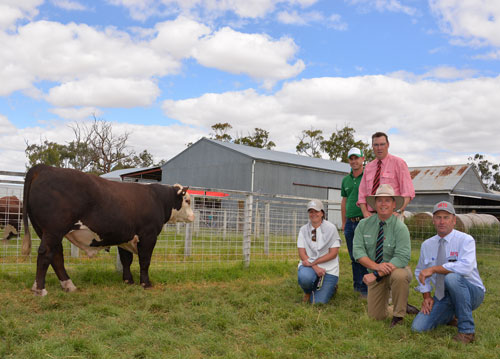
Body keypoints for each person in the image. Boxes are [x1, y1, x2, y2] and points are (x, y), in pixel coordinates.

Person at [411, 201, 485, 344]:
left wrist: (434, 269)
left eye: (446, 217)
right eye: (438, 217)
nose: (442, 221)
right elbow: (420, 271)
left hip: (472, 292)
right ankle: (450, 315)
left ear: (454, 220)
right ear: (433, 220)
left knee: (452, 278)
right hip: (443, 296)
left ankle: (467, 331)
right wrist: (426, 296)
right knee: (418, 328)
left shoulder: (465, 240)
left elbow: (466, 267)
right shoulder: (427, 245)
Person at [353, 184, 418, 327]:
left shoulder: (401, 228)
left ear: (394, 204)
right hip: (376, 273)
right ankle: (401, 304)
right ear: (374, 204)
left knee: (400, 275)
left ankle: (398, 316)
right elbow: (358, 252)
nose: (383, 204)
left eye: (387, 200)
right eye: (380, 200)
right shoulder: (363, 225)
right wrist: (376, 268)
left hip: (395, 271)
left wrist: (376, 273)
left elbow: (402, 257)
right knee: (375, 317)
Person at [358, 132, 415, 218]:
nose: (379, 148)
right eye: (376, 145)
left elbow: (408, 193)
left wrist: (398, 211)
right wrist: (365, 212)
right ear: (372, 146)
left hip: (393, 215)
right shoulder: (368, 167)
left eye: (382, 144)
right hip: (371, 216)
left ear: (388, 145)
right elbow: (362, 194)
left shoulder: (399, 163)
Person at [297, 199, 341, 304]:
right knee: (305, 277)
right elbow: (302, 253)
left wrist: (313, 262)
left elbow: (333, 254)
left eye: (316, 211)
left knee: (317, 302)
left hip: (329, 268)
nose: (313, 214)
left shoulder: (331, 228)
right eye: (311, 211)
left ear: (322, 213)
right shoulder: (303, 230)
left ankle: (332, 286)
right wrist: (315, 267)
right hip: (310, 265)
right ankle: (308, 291)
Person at [341, 147, 368, 298]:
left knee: (365, 255)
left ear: (363, 159)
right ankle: (357, 287)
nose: (354, 161)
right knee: (354, 257)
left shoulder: (368, 177)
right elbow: (344, 201)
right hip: (350, 223)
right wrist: (343, 222)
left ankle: (367, 287)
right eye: (351, 158)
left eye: (356, 158)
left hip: (364, 222)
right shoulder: (345, 180)